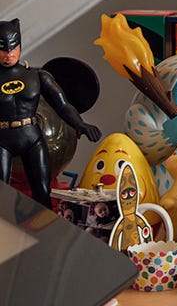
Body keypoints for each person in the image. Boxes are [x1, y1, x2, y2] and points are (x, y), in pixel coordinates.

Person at [0, 19, 101, 210]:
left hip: (32, 137)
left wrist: (80, 124)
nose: (9, 54)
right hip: (2, 139)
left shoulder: (37, 76)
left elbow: (62, 105)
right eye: (3, 48)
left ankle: (46, 236)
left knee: (42, 192)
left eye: (13, 47)